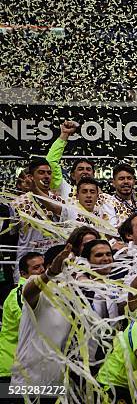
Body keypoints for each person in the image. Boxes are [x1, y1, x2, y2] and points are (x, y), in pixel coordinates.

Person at [10, 244, 73, 394]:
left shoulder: (69, 297)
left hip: (56, 383)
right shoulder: (32, 291)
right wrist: (50, 274)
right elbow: (29, 292)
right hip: (27, 384)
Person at [11, 158, 63, 277]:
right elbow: (12, 234)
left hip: (54, 266)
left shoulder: (59, 202)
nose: (46, 176)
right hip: (28, 268)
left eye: (49, 173)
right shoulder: (18, 203)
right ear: (31, 177)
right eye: (41, 172)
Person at [0, 252, 45, 383]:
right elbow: (30, 322)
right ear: (23, 274)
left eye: (43, 265)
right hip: (12, 369)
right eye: (36, 267)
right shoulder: (19, 294)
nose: (42, 270)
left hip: (30, 368)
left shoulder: (45, 291)